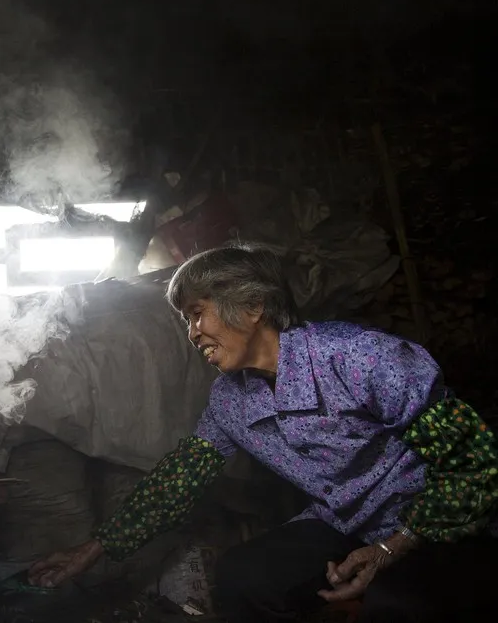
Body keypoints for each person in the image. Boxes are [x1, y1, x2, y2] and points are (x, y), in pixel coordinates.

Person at [28, 244, 498, 622]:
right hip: (345, 522)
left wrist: (391, 547)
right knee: (244, 575)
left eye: (197, 313)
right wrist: (90, 551)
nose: (192, 334)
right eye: (186, 321)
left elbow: (477, 464)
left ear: (253, 306)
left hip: (436, 519)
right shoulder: (230, 399)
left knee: (398, 604)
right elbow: (178, 481)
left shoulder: (362, 359)